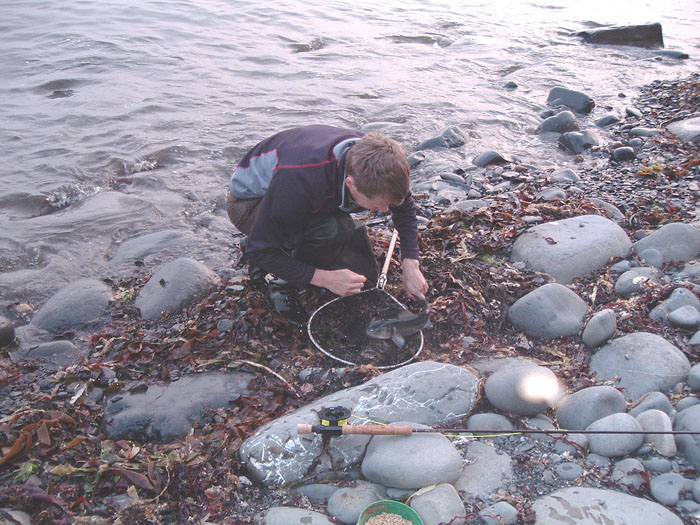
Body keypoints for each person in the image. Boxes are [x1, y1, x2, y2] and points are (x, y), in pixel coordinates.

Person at [226, 124, 428, 325]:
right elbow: (259, 250)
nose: (385, 210)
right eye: (378, 204)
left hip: (291, 194)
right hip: (249, 204)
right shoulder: (299, 180)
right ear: (351, 184)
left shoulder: (380, 162)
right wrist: (323, 278)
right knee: (333, 230)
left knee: (364, 272)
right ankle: (282, 287)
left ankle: (274, 238)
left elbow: (404, 207)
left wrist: (410, 264)